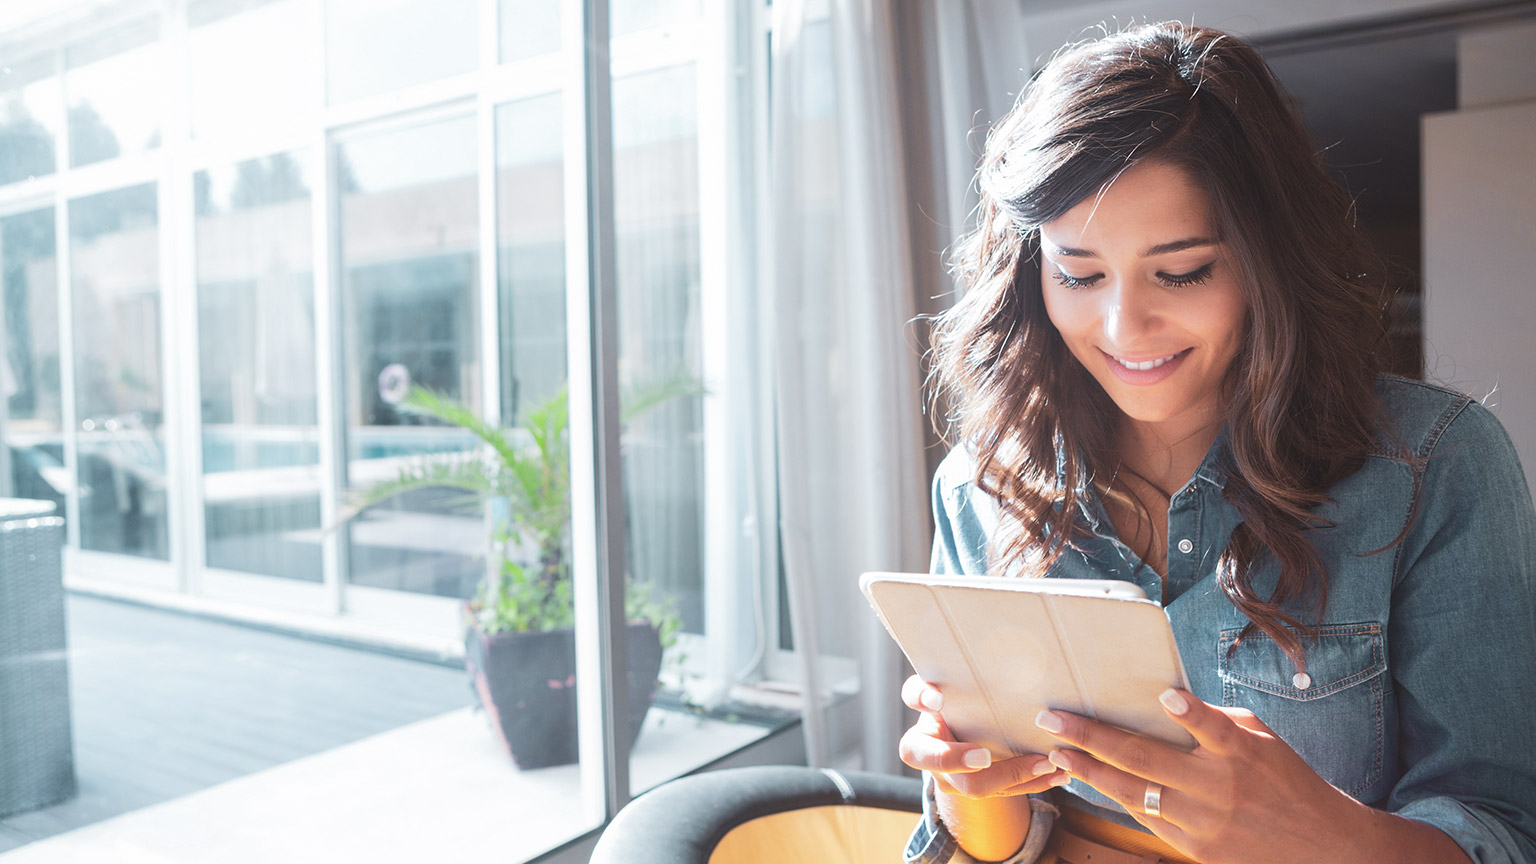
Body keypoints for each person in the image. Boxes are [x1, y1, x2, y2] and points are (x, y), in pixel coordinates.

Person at [900, 21, 1536, 864]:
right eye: (1079, 274)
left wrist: (1319, 836)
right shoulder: (981, 488)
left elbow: (1504, 828)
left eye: (1183, 270)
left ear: (1268, 260)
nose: (1123, 327)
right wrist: (964, 786)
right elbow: (1005, 845)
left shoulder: (1434, 467)